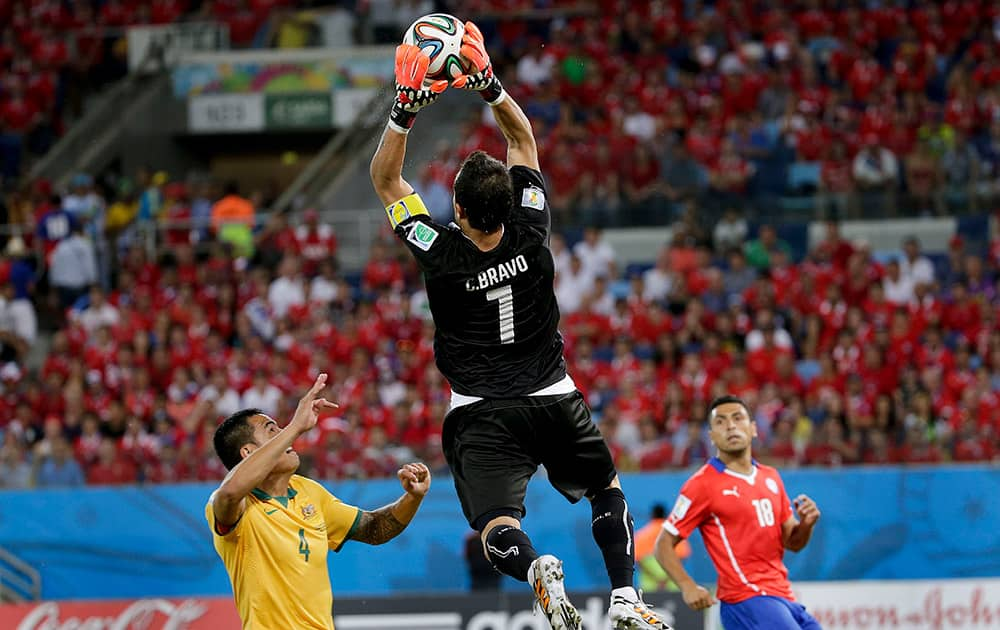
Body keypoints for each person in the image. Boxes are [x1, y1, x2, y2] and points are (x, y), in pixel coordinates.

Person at [369, 25, 671, 630]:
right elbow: (521, 140)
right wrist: (488, 84)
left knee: (496, 527)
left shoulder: (439, 250)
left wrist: (404, 111)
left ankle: (535, 568)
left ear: (456, 211)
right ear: (510, 200)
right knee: (605, 488)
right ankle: (624, 597)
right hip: (553, 397)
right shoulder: (532, 231)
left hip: (480, 410)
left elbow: (385, 180)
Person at [207, 374, 431, 629]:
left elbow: (375, 528)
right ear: (248, 452)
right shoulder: (236, 505)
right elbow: (229, 493)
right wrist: (295, 427)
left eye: (282, 429)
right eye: (273, 431)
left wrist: (412, 497)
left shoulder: (309, 492)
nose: (285, 435)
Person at [653, 396, 822, 630]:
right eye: (720, 422)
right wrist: (687, 586)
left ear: (753, 428)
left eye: (737, 418)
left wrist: (807, 524)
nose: (730, 426)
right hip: (745, 600)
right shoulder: (702, 484)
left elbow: (793, 542)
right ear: (711, 436)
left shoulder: (770, 477)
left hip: (784, 597)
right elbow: (662, 544)